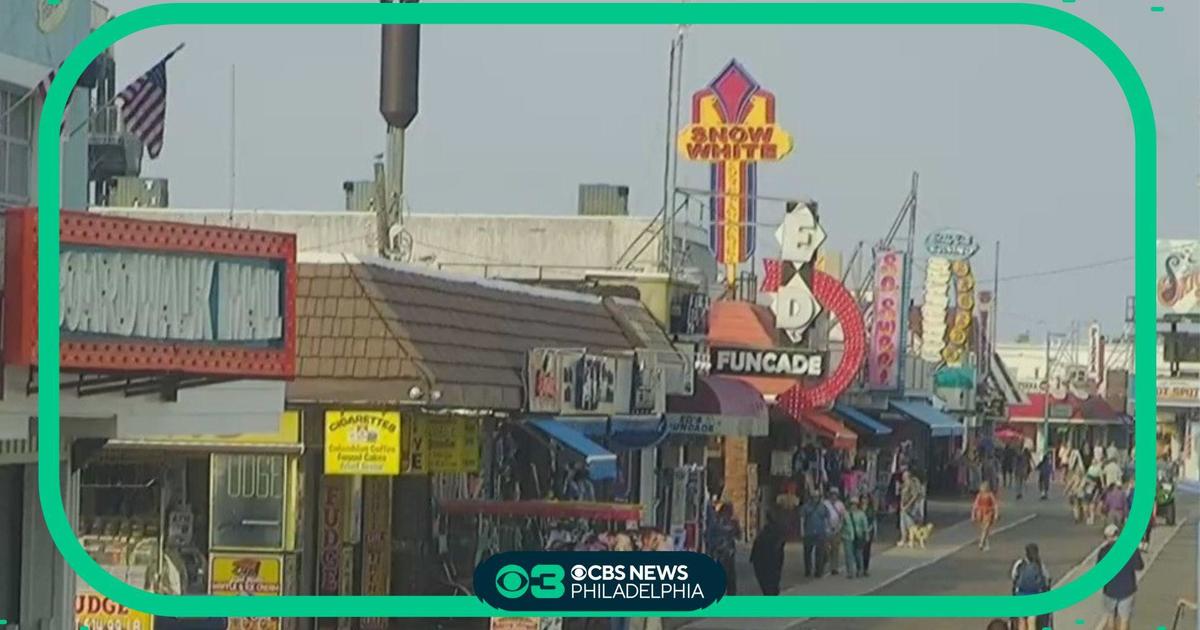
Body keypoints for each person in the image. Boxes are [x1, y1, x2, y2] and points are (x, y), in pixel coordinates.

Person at [1098, 523, 1144, 630]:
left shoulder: (1103, 552)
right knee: (1124, 619)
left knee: (1110, 617)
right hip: (1127, 589)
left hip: (1109, 590)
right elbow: (1139, 566)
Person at [1011, 543, 1052, 630]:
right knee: (1031, 619)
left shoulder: (1020, 564)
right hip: (1034, 595)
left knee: (1021, 619)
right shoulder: (1039, 565)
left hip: (1020, 595)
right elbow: (1047, 578)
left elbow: (1014, 576)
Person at [750, 510, 787, 595]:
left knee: (767, 583)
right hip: (771, 560)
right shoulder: (776, 533)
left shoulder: (764, 533)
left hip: (765, 560)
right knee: (772, 582)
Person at [708, 502, 740, 595]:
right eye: (729, 510)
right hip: (719, 552)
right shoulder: (716, 520)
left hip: (729, 552)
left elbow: (738, 536)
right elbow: (712, 533)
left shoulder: (733, 521)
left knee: (731, 578)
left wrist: (735, 528)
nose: (730, 512)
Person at [802, 496, 830, 578]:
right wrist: (802, 531)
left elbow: (826, 518)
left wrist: (827, 529)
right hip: (808, 532)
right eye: (814, 497)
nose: (815, 499)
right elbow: (802, 519)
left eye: (817, 497)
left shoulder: (823, 507)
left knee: (820, 553)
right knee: (807, 552)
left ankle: (818, 571)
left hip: (820, 532)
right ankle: (808, 570)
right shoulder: (806, 507)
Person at [842, 496, 870, 578]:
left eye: (855, 504)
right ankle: (850, 572)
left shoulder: (861, 514)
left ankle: (859, 569)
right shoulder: (846, 514)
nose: (853, 506)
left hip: (858, 536)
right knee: (848, 554)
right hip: (847, 536)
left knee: (858, 554)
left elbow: (865, 526)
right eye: (851, 504)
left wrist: (866, 535)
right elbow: (842, 524)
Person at [824, 489, 847, 575]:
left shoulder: (840, 504)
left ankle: (834, 567)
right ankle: (825, 562)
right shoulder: (825, 504)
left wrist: (839, 527)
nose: (833, 496)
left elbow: (843, 516)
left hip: (837, 530)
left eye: (835, 495)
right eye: (832, 494)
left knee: (835, 549)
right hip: (826, 529)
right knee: (826, 549)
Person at [972, 481, 999, 551]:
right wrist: (973, 514)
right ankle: (986, 544)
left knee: (985, 529)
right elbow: (975, 504)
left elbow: (995, 504)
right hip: (980, 513)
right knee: (984, 529)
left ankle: (981, 543)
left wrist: (996, 514)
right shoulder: (979, 495)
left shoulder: (990, 495)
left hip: (988, 513)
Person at [898, 471, 921, 546]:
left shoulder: (912, 484)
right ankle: (903, 539)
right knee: (902, 523)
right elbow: (902, 496)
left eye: (904, 476)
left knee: (910, 523)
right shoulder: (904, 485)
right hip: (903, 507)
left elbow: (914, 496)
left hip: (910, 507)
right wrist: (901, 505)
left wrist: (908, 505)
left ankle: (912, 540)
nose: (903, 477)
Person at [860, 490, 878, 576]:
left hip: (868, 531)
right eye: (863, 498)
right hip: (859, 531)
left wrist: (874, 533)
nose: (864, 500)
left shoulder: (871, 510)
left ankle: (865, 568)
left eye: (866, 498)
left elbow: (874, 522)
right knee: (858, 550)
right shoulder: (858, 508)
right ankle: (859, 567)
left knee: (866, 551)